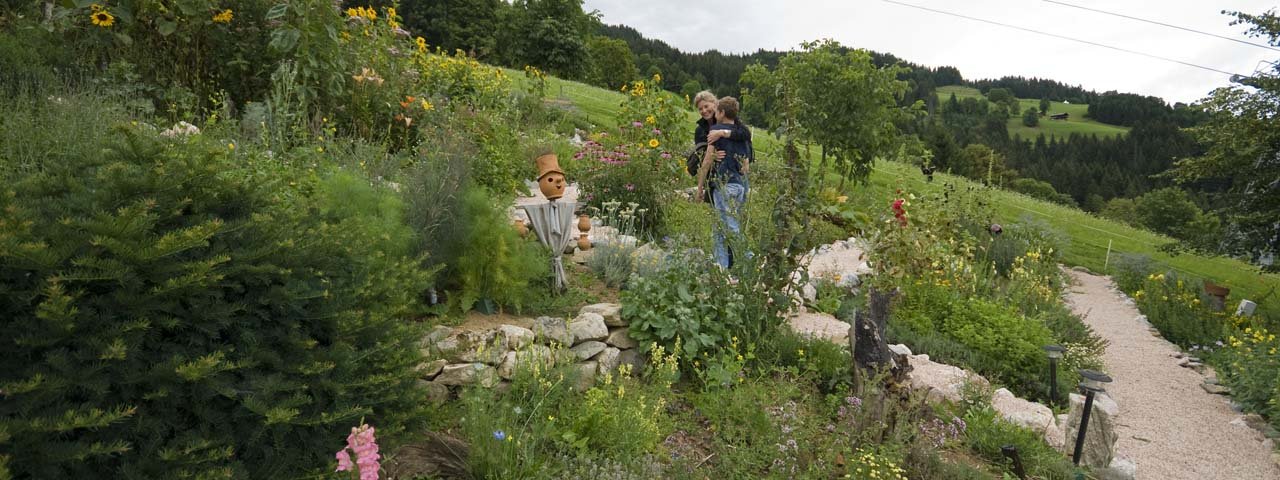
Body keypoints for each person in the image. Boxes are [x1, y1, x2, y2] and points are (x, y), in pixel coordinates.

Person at [695, 97, 752, 269]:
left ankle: (749, 260)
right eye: (700, 108)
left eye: (707, 106)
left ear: (718, 109)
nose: (704, 111)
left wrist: (699, 188)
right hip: (739, 185)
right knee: (719, 228)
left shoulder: (717, 129)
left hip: (725, 184)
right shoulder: (735, 128)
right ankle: (721, 268)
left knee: (731, 226)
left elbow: (705, 163)